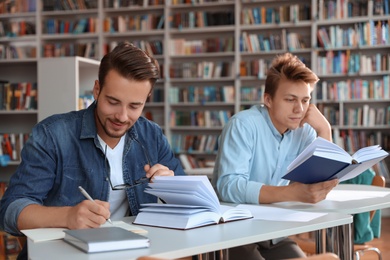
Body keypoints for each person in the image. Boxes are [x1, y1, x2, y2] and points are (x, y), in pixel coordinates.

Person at [0, 42, 185, 258]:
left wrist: (172, 188)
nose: (122, 116)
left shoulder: (151, 135)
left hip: (129, 253)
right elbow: (10, 212)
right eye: (113, 102)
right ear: (96, 90)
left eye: (135, 106)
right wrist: (67, 216)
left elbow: (192, 205)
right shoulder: (53, 134)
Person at [212, 53, 339, 259]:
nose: (299, 109)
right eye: (290, 100)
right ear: (268, 100)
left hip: (272, 231)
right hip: (233, 230)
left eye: (305, 100)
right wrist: (291, 194)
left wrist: (325, 130)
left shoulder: (305, 130)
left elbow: (320, 184)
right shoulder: (243, 125)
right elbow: (229, 186)